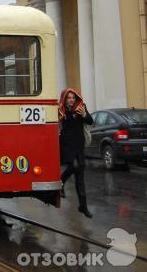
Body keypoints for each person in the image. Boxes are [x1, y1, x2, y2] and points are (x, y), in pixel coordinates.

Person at [59, 88, 94, 218]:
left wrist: (84, 114)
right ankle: (61, 181)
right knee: (74, 166)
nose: (71, 100)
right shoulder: (61, 110)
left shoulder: (81, 108)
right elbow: (57, 125)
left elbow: (90, 121)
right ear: (64, 99)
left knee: (80, 178)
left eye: (73, 97)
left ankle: (83, 206)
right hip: (67, 146)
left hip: (79, 146)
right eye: (69, 98)